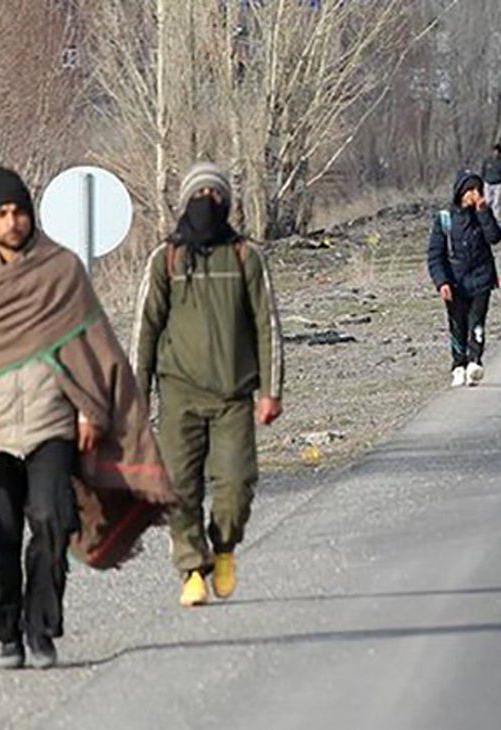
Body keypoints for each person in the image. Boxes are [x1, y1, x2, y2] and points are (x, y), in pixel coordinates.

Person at [0, 167, 173, 670]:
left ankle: (41, 631)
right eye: (1, 213)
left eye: (19, 211)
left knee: (50, 521)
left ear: (31, 214)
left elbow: (92, 349)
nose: (12, 221)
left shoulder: (61, 271)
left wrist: (90, 411)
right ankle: (6, 634)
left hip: (51, 427)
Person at [134, 163, 285, 608]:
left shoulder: (245, 256)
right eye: (199, 194)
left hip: (234, 396)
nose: (207, 202)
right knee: (178, 489)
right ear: (185, 203)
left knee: (235, 487)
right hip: (179, 395)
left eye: (215, 195)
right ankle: (192, 570)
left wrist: (270, 391)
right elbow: (144, 331)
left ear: (227, 203)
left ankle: (223, 548)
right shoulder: (166, 258)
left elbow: (267, 325)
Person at [428, 170, 501, 387]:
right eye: (470, 190)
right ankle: (458, 365)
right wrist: (441, 282)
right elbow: (435, 255)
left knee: (477, 321)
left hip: (481, 279)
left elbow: (494, 237)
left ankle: (474, 361)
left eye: (477, 190)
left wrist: (483, 213)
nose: (474, 194)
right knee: (457, 325)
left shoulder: (482, 216)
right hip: (455, 282)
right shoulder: (445, 219)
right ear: (460, 192)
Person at [480, 144, 501, 220]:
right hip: (487, 183)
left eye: (498, 151)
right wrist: (481, 181)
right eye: (495, 151)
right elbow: (483, 171)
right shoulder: (487, 160)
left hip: (497, 184)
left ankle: (495, 218)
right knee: (487, 200)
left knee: (496, 202)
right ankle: (486, 216)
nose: (496, 153)